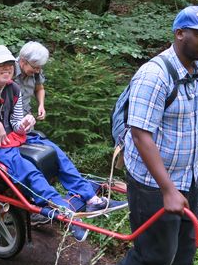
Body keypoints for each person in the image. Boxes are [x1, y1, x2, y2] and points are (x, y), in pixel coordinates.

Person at [93, 6, 198, 265]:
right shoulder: (154, 75)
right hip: (153, 184)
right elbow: (140, 134)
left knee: (182, 255)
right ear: (180, 34)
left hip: (187, 178)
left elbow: (197, 117)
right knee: (155, 256)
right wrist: (167, 189)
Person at [0, 45, 120, 242]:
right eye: (1, 65)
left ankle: (91, 198)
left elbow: (16, 123)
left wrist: (25, 123)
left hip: (12, 139)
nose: (7, 68)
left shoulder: (12, 88)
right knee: (29, 171)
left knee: (56, 153)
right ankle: (64, 214)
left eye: (9, 64)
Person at [15, 41, 127, 227]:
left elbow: (39, 86)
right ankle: (51, 207)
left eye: (39, 68)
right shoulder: (6, 74)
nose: (37, 71)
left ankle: (91, 200)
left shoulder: (34, 70)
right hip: (13, 131)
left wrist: (41, 104)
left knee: (58, 155)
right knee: (32, 167)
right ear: (22, 61)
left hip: (27, 129)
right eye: (34, 68)